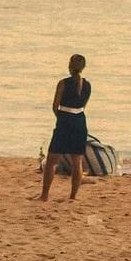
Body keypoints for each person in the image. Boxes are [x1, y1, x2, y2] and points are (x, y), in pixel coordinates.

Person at [38, 51, 91, 202]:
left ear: (70, 66)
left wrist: (61, 119)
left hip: (65, 120)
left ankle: (45, 195)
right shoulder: (87, 85)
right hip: (80, 120)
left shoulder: (63, 83)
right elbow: (84, 105)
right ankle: (73, 196)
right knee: (77, 161)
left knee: (52, 159)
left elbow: (55, 106)